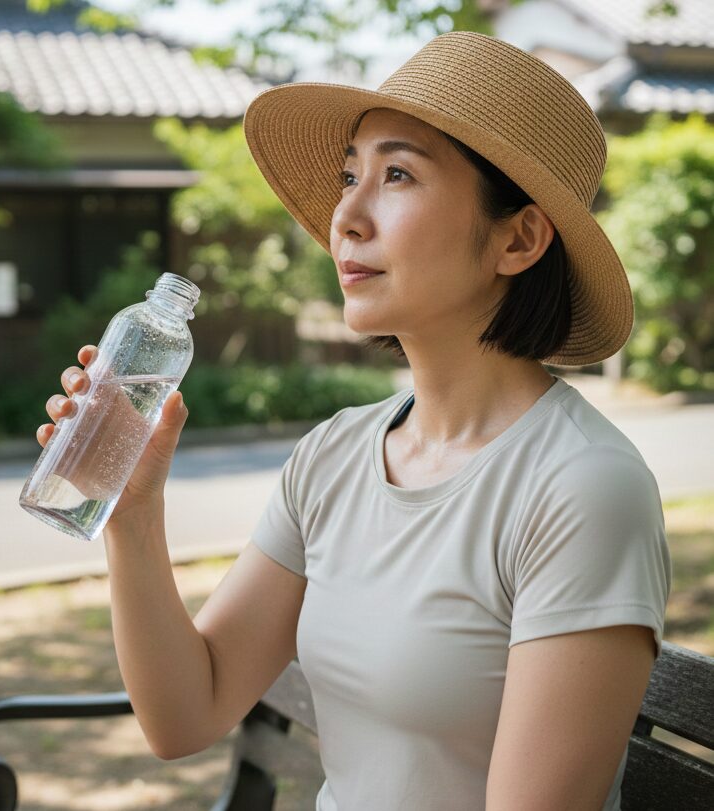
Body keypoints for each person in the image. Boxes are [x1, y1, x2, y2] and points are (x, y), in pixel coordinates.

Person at [38, 31, 672, 811]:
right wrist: (133, 514)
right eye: (350, 176)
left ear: (518, 238)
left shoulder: (583, 489)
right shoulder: (335, 454)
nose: (346, 216)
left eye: (397, 174)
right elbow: (185, 712)